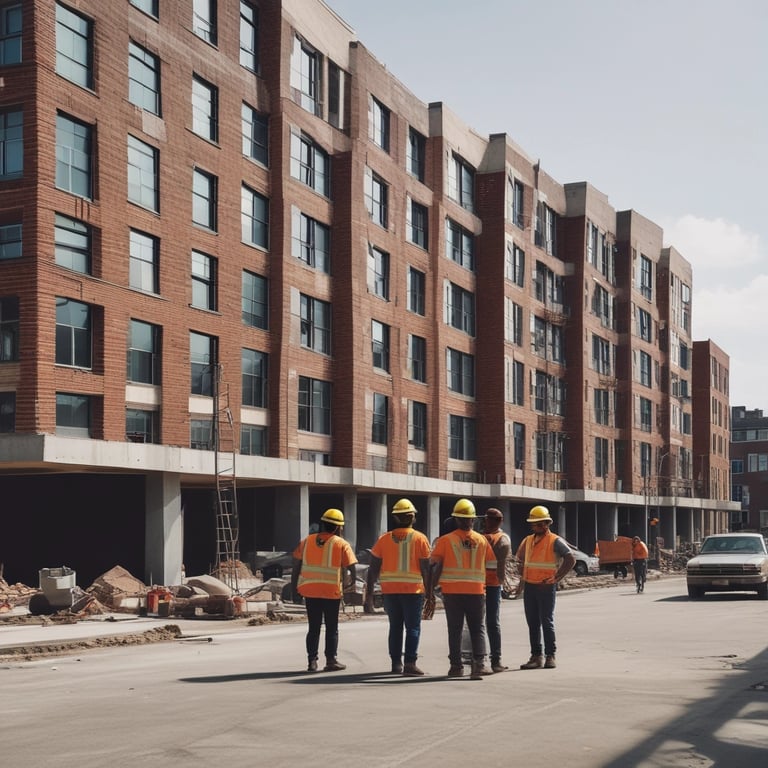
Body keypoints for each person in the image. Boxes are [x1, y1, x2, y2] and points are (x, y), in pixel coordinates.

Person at [428, 498, 494, 679]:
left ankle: (456, 667)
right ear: (473, 519)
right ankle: (479, 666)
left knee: (454, 629)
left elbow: (435, 565)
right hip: (476, 592)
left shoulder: (445, 541)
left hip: (452, 592)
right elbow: (491, 565)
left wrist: (430, 590)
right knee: (477, 629)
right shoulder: (482, 540)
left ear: (456, 519)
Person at [364, 498, 432, 676]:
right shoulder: (420, 539)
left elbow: (372, 570)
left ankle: (396, 664)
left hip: (390, 591)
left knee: (395, 627)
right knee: (413, 628)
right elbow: (426, 569)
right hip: (413, 592)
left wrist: (369, 596)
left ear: (395, 518)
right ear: (412, 517)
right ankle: (410, 663)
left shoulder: (384, 540)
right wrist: (430, 594)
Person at [291, 508, 357, 672]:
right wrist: (351, 583)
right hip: (331, 592)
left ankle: (312, 662)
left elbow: (296, 566)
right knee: (331, 627)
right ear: (338, 527)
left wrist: (294, 589)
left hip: (310, 591)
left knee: (313, 628)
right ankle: (331, 660)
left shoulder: (307, 541)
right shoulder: (341, 544)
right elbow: (352, 567)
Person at [514, 505, 575, 670]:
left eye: (539, 524)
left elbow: (570, 559)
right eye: (534, 524)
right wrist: (521, 582)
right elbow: (520, 561)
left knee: (546, 621)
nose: (536, 527)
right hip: (530, 586)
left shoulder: (555, 540)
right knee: (532, 622)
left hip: (545, 587)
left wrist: (557, 577)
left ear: (547, 524)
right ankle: (536, 656)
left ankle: (550, 655)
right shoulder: (527, 541)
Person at [481, 508, 511, 673]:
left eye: (489, 520)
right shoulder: (481, 536)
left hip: (491, 585)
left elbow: (500, 566)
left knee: (491, 623)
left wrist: (501, 582)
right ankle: (488, 660)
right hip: (480, 584)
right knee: (483, 623)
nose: (486, 522)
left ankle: (495, 659)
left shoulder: (501, 539)